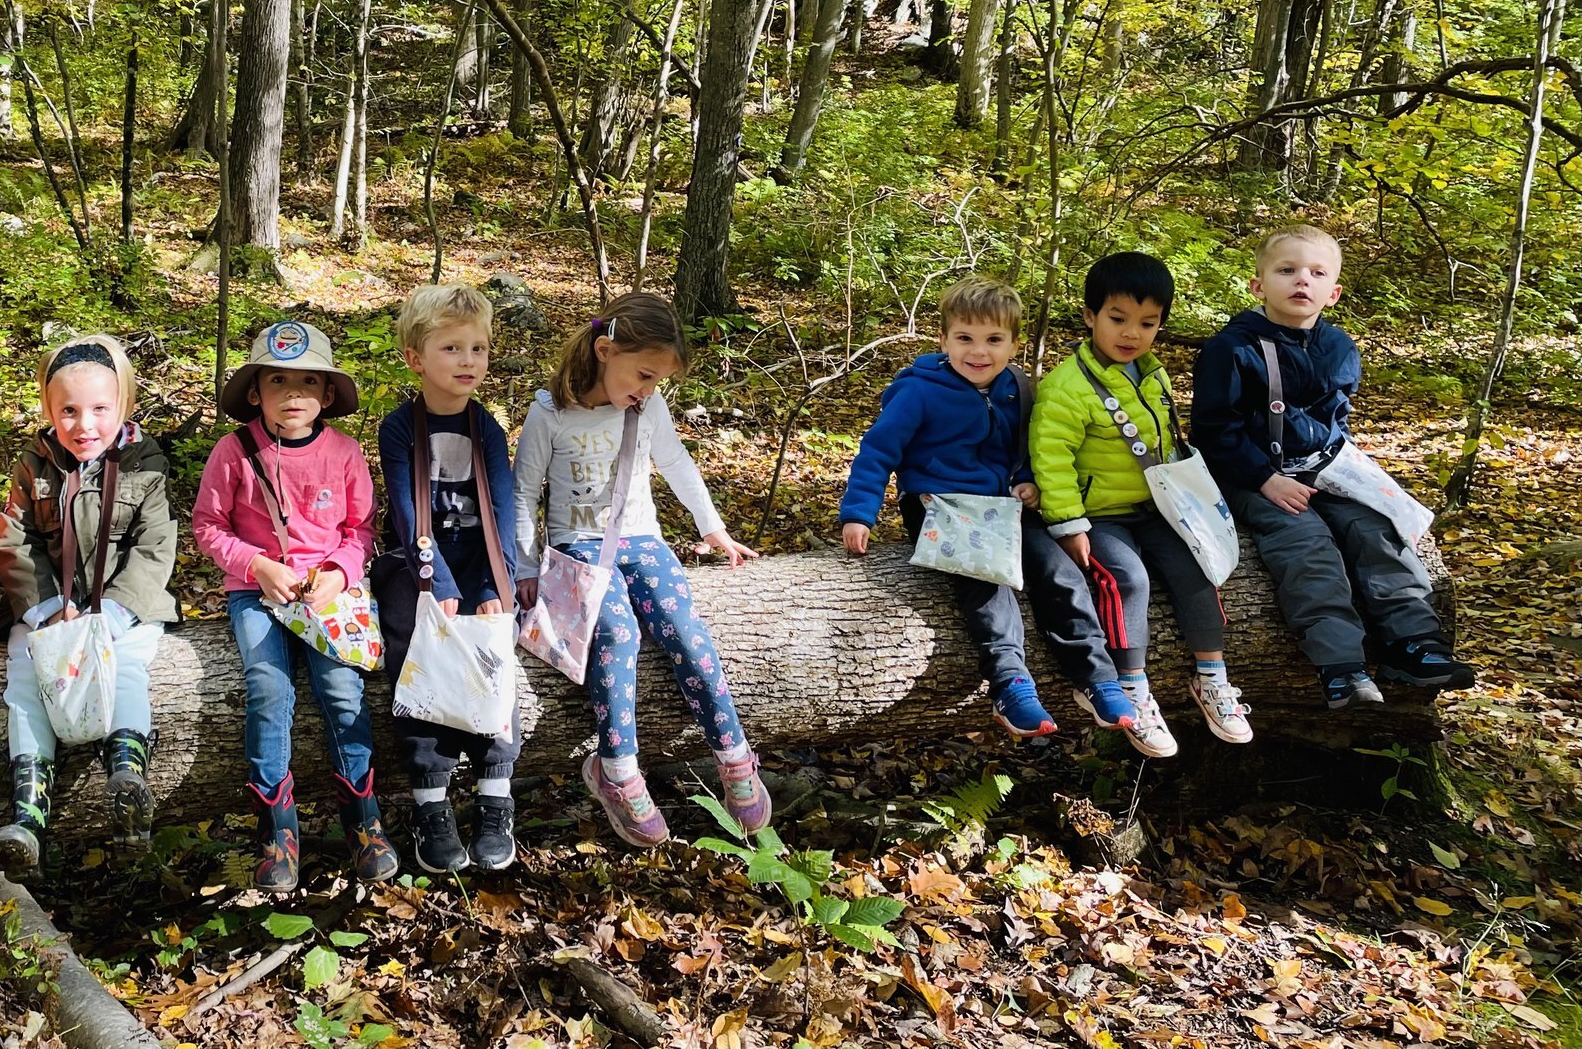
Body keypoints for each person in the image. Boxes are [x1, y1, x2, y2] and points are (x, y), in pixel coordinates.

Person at [513, 292, 770, 848]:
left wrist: (712, 527)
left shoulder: (646, 407)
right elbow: (523, 491)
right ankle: (618, 769)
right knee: (617, 632)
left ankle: (734, 756)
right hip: (577, 545)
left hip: (642, 538)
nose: (648, 390)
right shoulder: (549, 413)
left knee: (684, 628)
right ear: (605, 350)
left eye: (657, 382)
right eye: (644, 375)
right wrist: (525, 566)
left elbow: (675, 461)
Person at [1192, 225, 1474, 707]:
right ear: (1259, 285)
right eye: (1287, 271)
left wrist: (1350, 475)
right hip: (1250, 476)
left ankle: (1413, 644)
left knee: (1376, 528)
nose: (1302, 281)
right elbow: (1214, 432)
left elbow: (1334, 420)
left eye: (1316, 273)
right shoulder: (1232, 350)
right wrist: (1264, 479)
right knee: (1307, 544)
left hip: (1324, 470)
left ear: (1334, 292)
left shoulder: (1339, 347)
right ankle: (1341, 666)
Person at [838, 275, 1118, 739]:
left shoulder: (1015, 387)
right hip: (940, 505)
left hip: (1003, 506)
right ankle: (1011, 683)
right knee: (986, 580)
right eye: (964, 338)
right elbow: (878, 451)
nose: (978, 352)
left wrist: (1025, 480)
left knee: (1060, 572)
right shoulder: (919, 391)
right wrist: (858, 512)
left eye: (993, 340)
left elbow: (1024, 447)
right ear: (943, 339)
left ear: (1013, 344)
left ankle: (1096, 677)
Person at [192, 321, 398, 890]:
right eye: (278, 381)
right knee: (268, 686)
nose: (293, 395)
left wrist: (338, 572)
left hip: (328, 597)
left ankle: (363, 819)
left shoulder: (345, 452)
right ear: (255, 391)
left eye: (308, 382)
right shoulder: (234, 453)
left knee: (341, 687)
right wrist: (256, 565)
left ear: (328, 394)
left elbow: (359, 529)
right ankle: (276, 831)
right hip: (256, 592)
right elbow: (208, 526)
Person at [1030, 253, 1250, 757]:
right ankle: (1131, 686)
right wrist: (1068, 525)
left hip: (1158, 507)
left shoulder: (1153, 376)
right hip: (1100, 515)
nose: (1132, 334)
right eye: (1118, 319)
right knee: (1128, 578)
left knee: (1198, 569)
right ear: (1090, 316)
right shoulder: (1066, 387)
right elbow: (1052, 460)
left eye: (1147, 323)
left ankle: (1212, 677)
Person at [0, 334, 179, 877]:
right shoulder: (35, 465)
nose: (84, 424)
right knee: (25, 678)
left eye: (100, 409)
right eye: (67, 410)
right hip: (53, 607)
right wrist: (46, 608)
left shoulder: (146, 463)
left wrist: (114, 611)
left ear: (125, 407)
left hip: (123, 606)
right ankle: (28, 814)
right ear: (49, 410)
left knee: (128, 668)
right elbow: (15, 541)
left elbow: (155, 545)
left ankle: (126, 776)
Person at [372, 284, 522, 872]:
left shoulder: (486, 428)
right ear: (417, 359)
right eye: (452, 348)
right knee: (416, 649)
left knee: (493, 656)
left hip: (480, 559)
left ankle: (494, 794)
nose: (469, 361)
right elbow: (409, 518)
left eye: (479, 349)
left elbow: (502, 513)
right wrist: (442, 589)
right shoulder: (400, 429)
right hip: (420, 563)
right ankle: (430, 802)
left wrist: (490, 588)